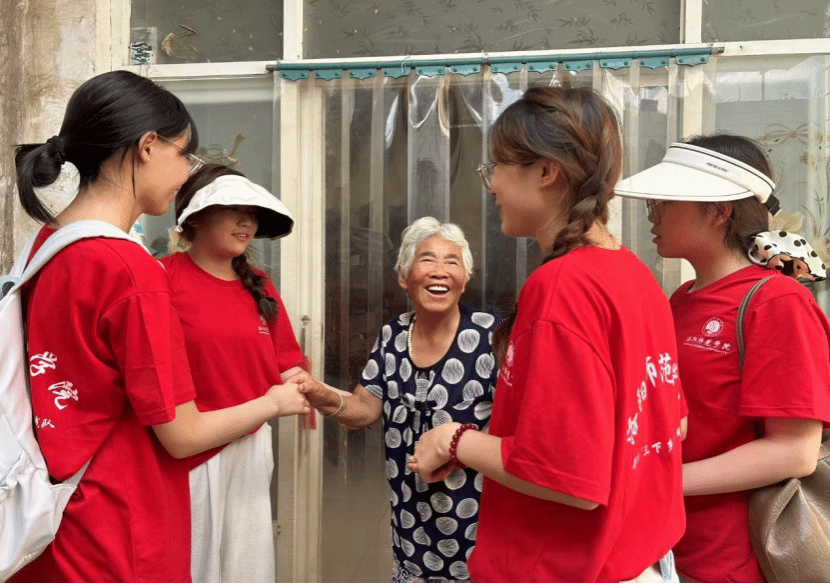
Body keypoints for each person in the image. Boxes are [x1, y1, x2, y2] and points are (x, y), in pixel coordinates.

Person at [8, 70, 309, 583]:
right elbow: (183, 434)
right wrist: (274, 403)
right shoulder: (131, 270)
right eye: (183, 154)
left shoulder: (46, 247)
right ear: (148, 147)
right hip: (117, 528)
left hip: (45, 517)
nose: (184, 172)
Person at [408, 86, 686, 583]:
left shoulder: (563, 286)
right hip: (635, 557)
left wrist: (454, 440)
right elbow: (673, 426)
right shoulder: (635, 276)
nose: (491, 184)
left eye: (496, 166)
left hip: (573, 566)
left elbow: (567, 478)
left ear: (545, 171)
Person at [615, 133, 830, 583]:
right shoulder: (681, 298)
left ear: (719, 212)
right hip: (671, 547)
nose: (653, 214)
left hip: (737, 557)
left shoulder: (777, 301)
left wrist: (658, 482)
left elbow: (794, 452)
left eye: (664, 201)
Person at [299, 216, 502, 583]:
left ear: (465, 278)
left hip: (480, 536)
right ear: (404, 277)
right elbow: (365, 408)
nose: (439, 271)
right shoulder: (393, 335)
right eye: (427, 259)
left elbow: (522, 430)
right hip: (410, 533)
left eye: (452, 261)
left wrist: (462, 446)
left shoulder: (493, 338)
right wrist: (321, 395)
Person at [162, 163, 307, 583]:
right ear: (196, 216)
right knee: (192, 567)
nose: (247, 222)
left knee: (248, 568)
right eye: (234, 210)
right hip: (189, 452)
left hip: (251, 446)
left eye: (253, 213)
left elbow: (288, 365)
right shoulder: (163, 277)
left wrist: (320, 394)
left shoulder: (259, 283)